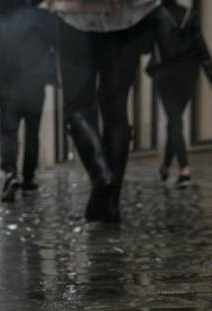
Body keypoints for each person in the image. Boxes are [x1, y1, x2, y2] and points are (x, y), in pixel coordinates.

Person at [50, 0, 158, 223]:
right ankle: (111, 204)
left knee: (77, 106)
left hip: (75, 16)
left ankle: (103, 173)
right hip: (130, 16)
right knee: (116, 107)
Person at [0, 0, 56, 202]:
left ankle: (10, 173)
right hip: (35, 85)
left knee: (8, 133)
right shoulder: (41, 18)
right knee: (33, 133)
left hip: (9, 88)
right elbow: (55, 46)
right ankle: (28, 177)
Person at [148, 0, 212, 188]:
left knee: (174, 120)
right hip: (189, 74)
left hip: (166, 73)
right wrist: (211, 75)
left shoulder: (155, 15)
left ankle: (184, 168)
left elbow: (145, 46)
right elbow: (200, 45)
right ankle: (165, 166)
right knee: (175, 121)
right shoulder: (190, 14)